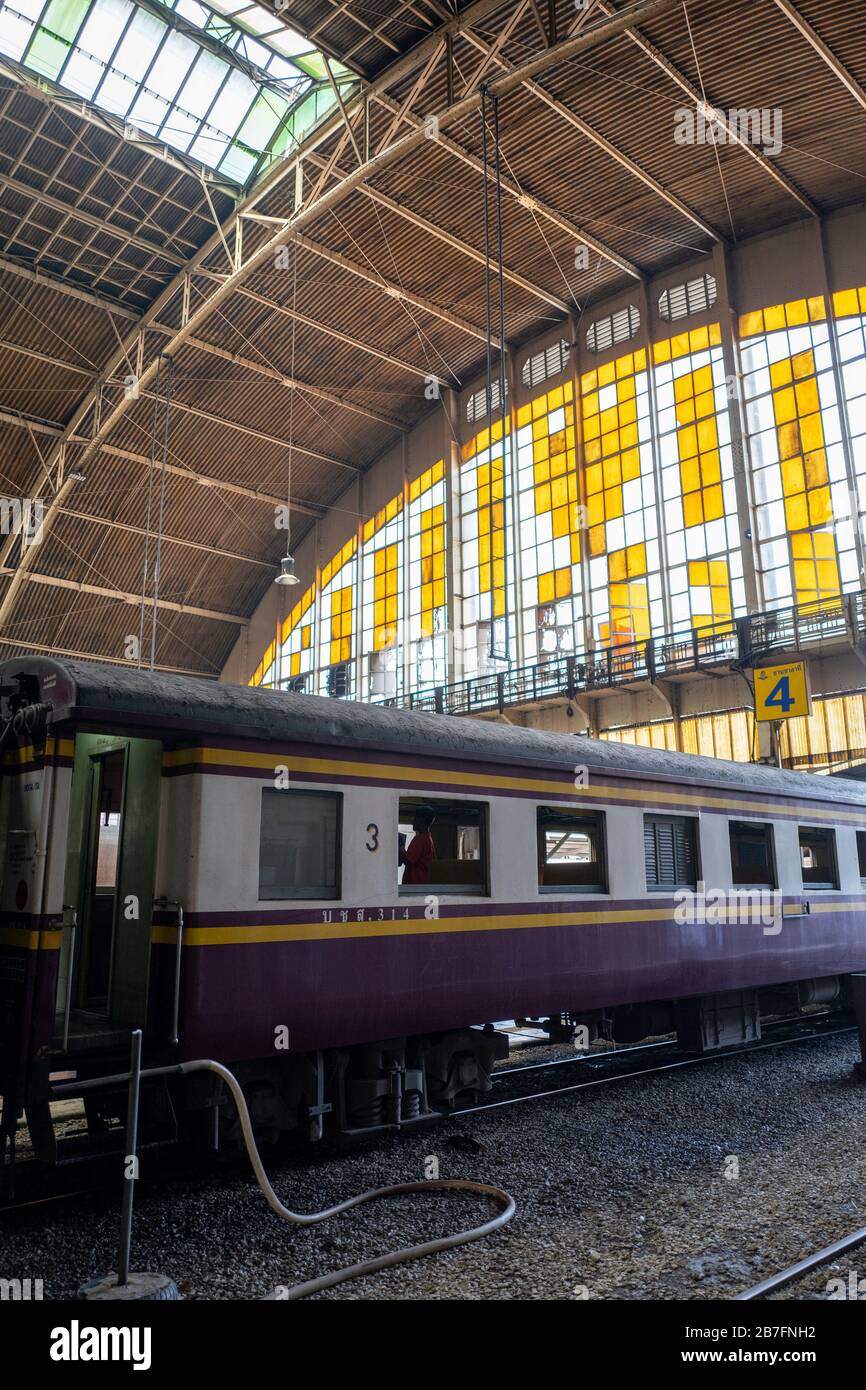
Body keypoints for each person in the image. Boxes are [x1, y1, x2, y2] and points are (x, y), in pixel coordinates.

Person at [399, 806, 436, 885]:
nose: (413, 820)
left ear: (421, 820)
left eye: (415, 818)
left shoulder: (420, 839)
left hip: (415, 885)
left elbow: (408, 861)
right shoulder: (428, 838)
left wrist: (400, 846)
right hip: (421, 885)